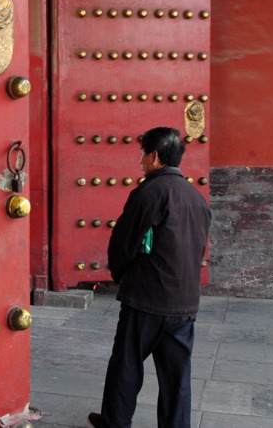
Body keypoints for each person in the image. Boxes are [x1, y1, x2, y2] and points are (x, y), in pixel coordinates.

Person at [88, 127, 211, 428]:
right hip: (184, 303)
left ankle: (115, 422)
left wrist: (120, 275)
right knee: (176, 377)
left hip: (146, 299)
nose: (141, 161)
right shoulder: (196, 198)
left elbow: (125, 242)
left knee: (127, 366)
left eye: (143, 154)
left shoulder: (149, 192)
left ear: (154, 156)